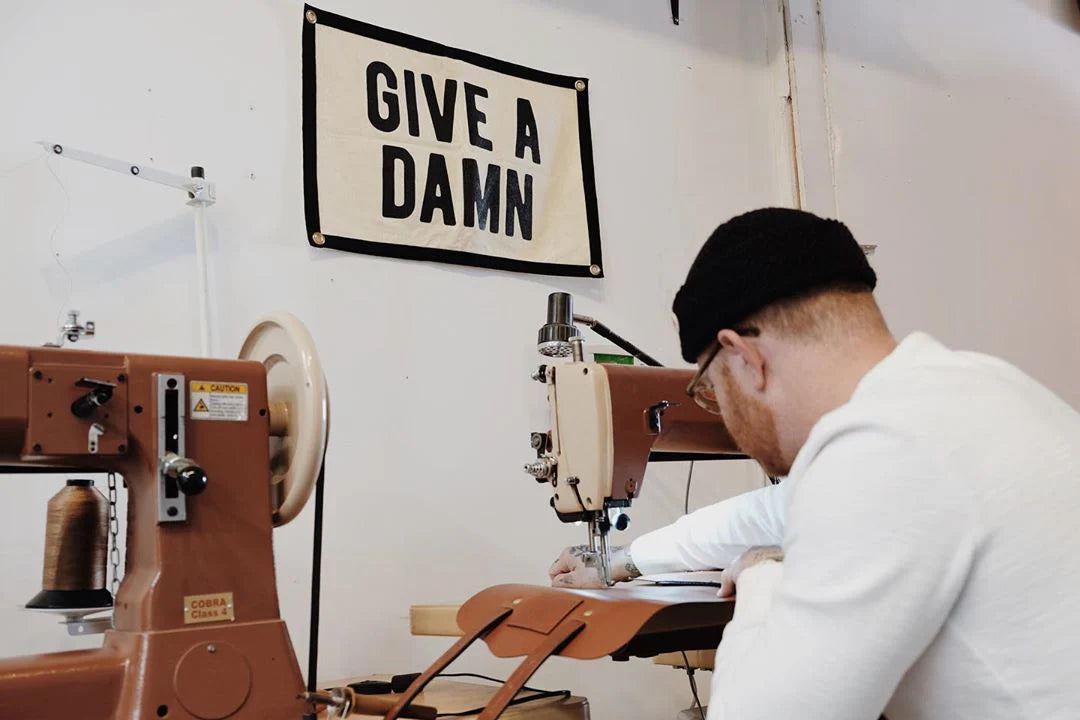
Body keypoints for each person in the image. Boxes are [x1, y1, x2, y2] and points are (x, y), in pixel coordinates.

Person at [548, 208, 1080, 719]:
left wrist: (764, 578)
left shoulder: (881, 449)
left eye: (711, 389)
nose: (723, 414)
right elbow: (765, 514)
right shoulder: (975, 392)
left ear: (745, 357)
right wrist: (626, 560)